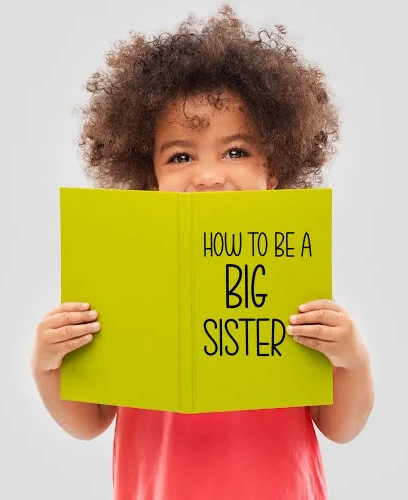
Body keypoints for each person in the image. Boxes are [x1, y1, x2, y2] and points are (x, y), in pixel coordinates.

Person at [31, 5, 374, 499]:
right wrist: (47, 363)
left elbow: (341, 427)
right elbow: (89, 423)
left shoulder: (292, 277)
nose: (209, 175)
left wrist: (351, 357)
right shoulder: (127, 285)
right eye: (181, 156)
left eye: (236, 151)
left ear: (272, 172)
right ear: (150, 181)